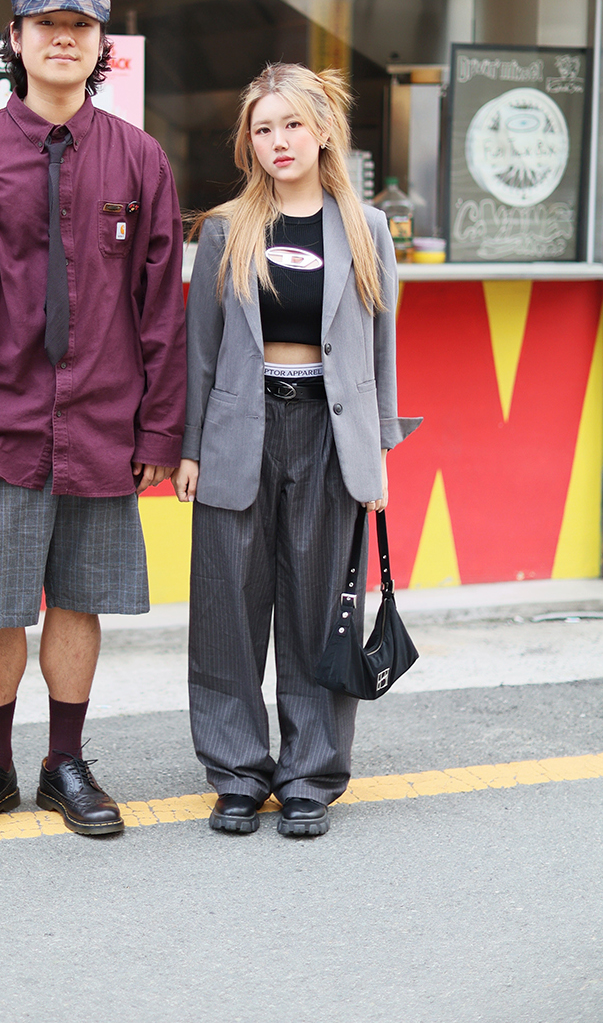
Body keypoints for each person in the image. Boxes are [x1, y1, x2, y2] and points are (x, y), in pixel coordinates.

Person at [0, 0, 186, 839]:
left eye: (82, 26)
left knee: (80, 598)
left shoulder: (139, 158)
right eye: (46, 24)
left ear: (102, 47)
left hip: (104, 419)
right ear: (15, 40)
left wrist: (161, 428)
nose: (64, 38)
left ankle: (66, 763)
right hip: (1, 423)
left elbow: (161, 308)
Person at [172, 62, 421, 838]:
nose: (278, 141)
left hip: (330, 436)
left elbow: (381, 349)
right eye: (262, 128)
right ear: (248, 142)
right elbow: (199, 351)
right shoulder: (226, 229)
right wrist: (189, 448)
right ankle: (238, 773)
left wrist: (377, 451)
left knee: (320, 613)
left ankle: (310, 775)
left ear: (322, 132)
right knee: (227, 610)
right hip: (238, 432)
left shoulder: (365, 228)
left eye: (291, 124)